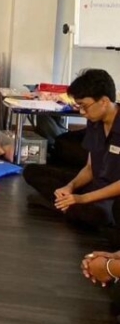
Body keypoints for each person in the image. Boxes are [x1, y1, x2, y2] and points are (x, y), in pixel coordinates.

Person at [24, 69, 120, 233]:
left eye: (84, 106)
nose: (82, 112)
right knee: (31, 171)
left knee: (97, 215)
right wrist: (70, 187)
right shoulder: (94, 122)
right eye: (79, 106)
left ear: (104, 101)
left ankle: (59, 205)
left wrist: (82, 198)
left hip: (113, 198)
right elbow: (90, 168)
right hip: (94, 186)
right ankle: (66, 205)